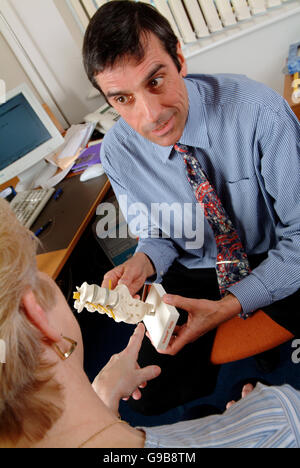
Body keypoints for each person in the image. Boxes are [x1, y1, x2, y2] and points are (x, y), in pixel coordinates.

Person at [82, 1, 300, 414]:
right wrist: (144, 262)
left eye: (156, 80)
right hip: (198, 266)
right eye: (123, 99)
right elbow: (159, 234)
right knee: (152, 395)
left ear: (179, 58)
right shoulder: (118, 153)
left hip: (275, 254)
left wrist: (230, 305)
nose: (150, 115)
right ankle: (241, 393)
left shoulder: (260, 113)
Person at [0, 197, 299, 448]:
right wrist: (249, 417)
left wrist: (105, 401)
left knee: (198, 410)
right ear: (37, 313)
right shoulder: (281, 420)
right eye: (41, 276)